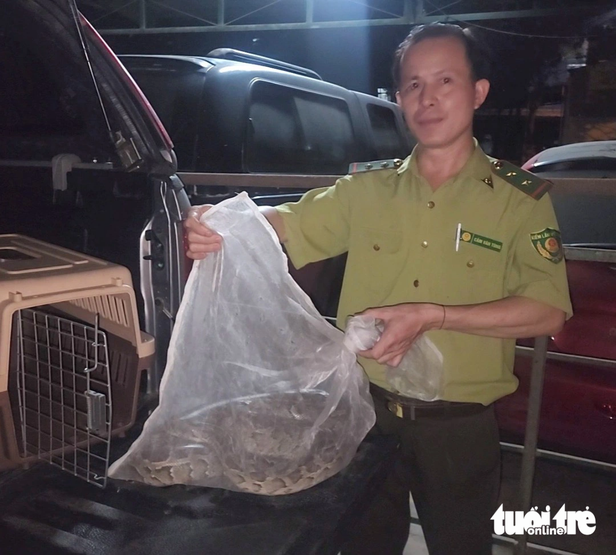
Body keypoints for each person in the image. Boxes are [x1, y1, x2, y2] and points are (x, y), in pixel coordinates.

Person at [184, 23, 572, 555]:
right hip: (366, 414)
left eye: (445, 81)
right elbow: (289, 223)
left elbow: (547, 310)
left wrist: (433, 315)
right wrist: (220, 222)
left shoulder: (518, 200)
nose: (427, 98)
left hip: (456, 425)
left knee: (462, 545)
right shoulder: (367, 188)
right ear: (397, 98)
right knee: (365, 543)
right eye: (412, 85)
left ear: (478, 92)